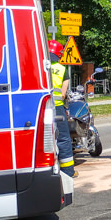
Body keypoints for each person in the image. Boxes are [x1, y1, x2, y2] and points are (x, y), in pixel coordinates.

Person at [49, 40, 76, 177]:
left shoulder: (37, 67)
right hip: (57, 108)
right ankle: (68, 171)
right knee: (63, 138)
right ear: (59, 54)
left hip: (41, 109)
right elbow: (63, 93)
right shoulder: (61, 68)